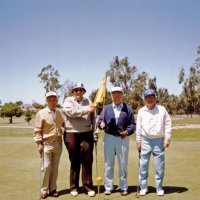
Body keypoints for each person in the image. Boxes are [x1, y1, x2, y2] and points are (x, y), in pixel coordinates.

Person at [98, 86, 136, 196]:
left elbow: (132, 124)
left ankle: (123, 187)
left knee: (123, 163)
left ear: (122, 95)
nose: (117, 95)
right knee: (108, 164)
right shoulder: (106, 108)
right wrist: (101, 125)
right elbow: (100, 121)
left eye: (119, 93)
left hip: (123, 138)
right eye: (114, 93)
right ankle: (109, 187)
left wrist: (127, 132)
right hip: (109, 137)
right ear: (111, 96)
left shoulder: (127, 109)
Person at [136, 89, 172, 196]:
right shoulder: (141, 111)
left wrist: (167, 138)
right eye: (147, 97)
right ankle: (143, 187)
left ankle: (159, 187)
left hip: (158, 140)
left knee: (159, 165)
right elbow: (138, 127)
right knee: (143, 165)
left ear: (155, 97)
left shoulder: (162, 109)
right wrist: (138, 141)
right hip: (145, 140)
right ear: (145, 99)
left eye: (152, 96)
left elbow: (168, 124)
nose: (150, 98)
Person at [62, 82, 96, 197]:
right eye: (76, 90)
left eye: (81, 90)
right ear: (73, 92)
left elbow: (93, 116)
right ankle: (74, 187)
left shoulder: (88, 101)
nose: (78, 92)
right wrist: (87, 109)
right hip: (72, 133)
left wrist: (94, 132)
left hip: (86, 133)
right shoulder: (68, 101)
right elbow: (71, 112)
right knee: (74, 160)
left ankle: (88, 187)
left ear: (84, 92)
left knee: (87, 160)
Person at [33, 91, 64, 199]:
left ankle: (53, 189)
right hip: (46, 144)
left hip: (58, 143)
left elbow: (65, 124)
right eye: (50, 99)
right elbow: (37, 130)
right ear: (46, 101)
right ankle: (44, 190)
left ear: (57, 100)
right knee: (46, 167)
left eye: (54, 99)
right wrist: (39, 143)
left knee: (55, 168)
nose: (52, 101)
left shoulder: (59, 112)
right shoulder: (41, 113)